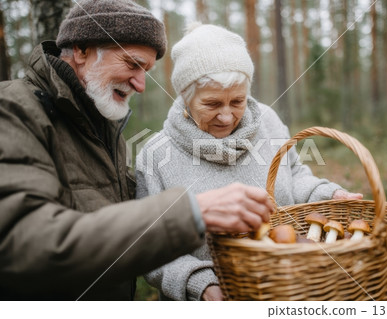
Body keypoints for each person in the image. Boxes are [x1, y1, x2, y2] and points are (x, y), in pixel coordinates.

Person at [0, 1, 273, 301]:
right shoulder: (13, 110)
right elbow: (24, 245)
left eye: (146, 70)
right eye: (132, 64)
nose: (141, 84)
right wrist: (191, 213)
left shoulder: (102, 125)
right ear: (81, 50)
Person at [136, 23, 363, 301]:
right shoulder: (156, 154)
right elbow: (150, 246)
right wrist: (200, 284)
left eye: (237, 101)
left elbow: (295, 175)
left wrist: (329, 194)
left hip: (291, 290)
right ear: (185, 96)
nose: (227, 117)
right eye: (212, 104)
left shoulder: (267, 120)